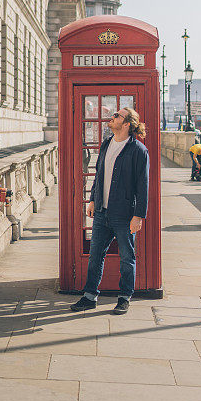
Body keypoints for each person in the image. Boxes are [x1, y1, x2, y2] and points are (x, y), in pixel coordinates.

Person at [70, 107, 149, 315]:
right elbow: (99, 175)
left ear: (126, 124)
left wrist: (139, 216)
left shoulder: (138, 150)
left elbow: (143, 186)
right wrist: (93, 199)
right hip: (102, 212)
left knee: (126, 258)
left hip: (124, 214)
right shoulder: (107, 144)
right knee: (95, 256)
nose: (112, 117)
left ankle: (124, 297)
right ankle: (89, 296)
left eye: (117, 116)